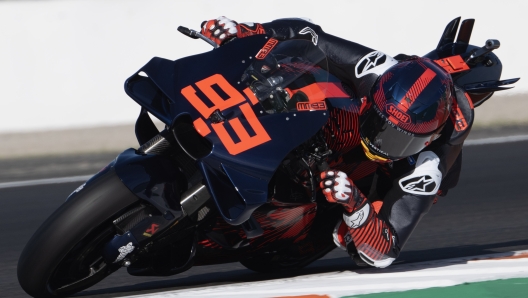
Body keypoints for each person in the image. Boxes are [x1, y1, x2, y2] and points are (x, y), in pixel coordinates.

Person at [199, 16, 473, 268]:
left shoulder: (430, 162)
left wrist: (356, 204)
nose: (381, 144)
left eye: (400, 140)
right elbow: (309, 34)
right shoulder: (374, 69)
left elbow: (385, 252)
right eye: (379, 127)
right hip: (360, 107)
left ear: (427, 140)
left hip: (397, 175)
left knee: (356, 246)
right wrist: (246, 31)